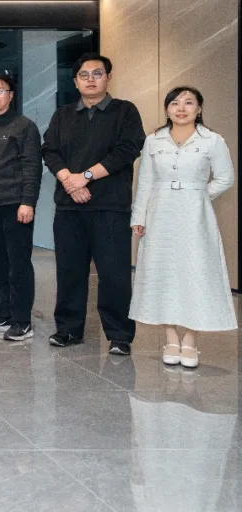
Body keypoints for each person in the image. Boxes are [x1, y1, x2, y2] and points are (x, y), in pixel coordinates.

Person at [42, 53, 145, 354]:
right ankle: (68, 329)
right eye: (84, 75)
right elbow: (50, 151)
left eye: (97, 74)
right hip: (69, 207)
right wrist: (69, 181)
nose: (90, 79)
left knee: (114, 274)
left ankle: (119, 335)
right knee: (69, 271)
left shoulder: (125, 111)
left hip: (109, 206)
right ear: (75, 81)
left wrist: (85, 177)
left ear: (108, 78)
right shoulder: (62, 115)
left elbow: (127, 150)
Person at [130, 86, 236, 368]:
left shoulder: (212, 140)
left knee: (195, 271)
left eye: (189, 103)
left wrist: (199, 195)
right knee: (162, 273)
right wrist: (139, 217)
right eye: (175, 103)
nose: (181, 108)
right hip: (160, 213)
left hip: (195, 216)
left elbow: (225, 178)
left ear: (199, 109)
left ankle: (190, 339)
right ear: (167, 109)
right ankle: (170, 338)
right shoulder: (154, 140)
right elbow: (145, 182)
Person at [0, 72, 42, 342]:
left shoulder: (24, 127)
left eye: (0, 91)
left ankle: (22, 320)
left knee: (18, 264)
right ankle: (0, 314)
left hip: (15, 205)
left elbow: (32, 167)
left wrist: (28, 202)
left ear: (10, 96)